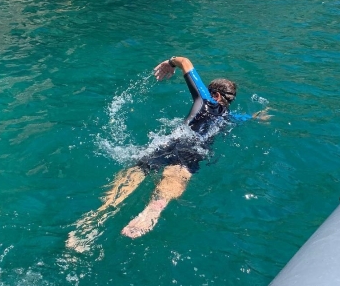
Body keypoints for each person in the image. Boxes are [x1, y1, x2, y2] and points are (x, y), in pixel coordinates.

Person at [66, 56, 270, 248]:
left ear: (214, 94)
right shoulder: (228, 116)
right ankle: (154, 209)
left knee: (138, 170)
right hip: (193, 152)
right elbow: (247, 118)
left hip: (173, 142)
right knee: (176, 176)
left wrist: (171, 63)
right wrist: (258, 116)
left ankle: (100, 214)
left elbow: (186, 61)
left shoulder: (206, 100)